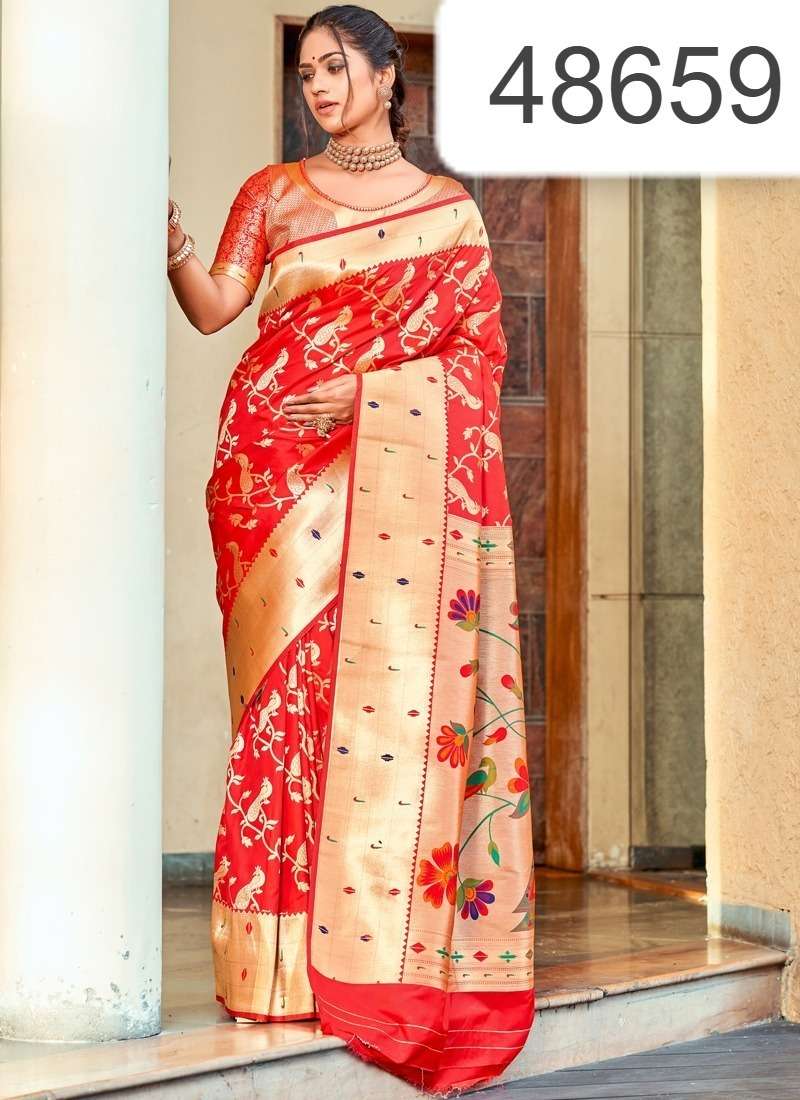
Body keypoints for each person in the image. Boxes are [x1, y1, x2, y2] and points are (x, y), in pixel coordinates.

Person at [166, 5, 536, 1094]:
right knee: (279, 702)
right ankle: (269, 962)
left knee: (365, 703)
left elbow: (479, 361)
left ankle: (371, 947)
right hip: (268, 472)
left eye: (335, 67)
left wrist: (371, 396)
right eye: (306, 73)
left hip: (383, 476)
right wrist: (175, 247)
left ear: (386, 75)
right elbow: (216, 309)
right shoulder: (272, 193)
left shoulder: (448, 212)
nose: (319, 87)